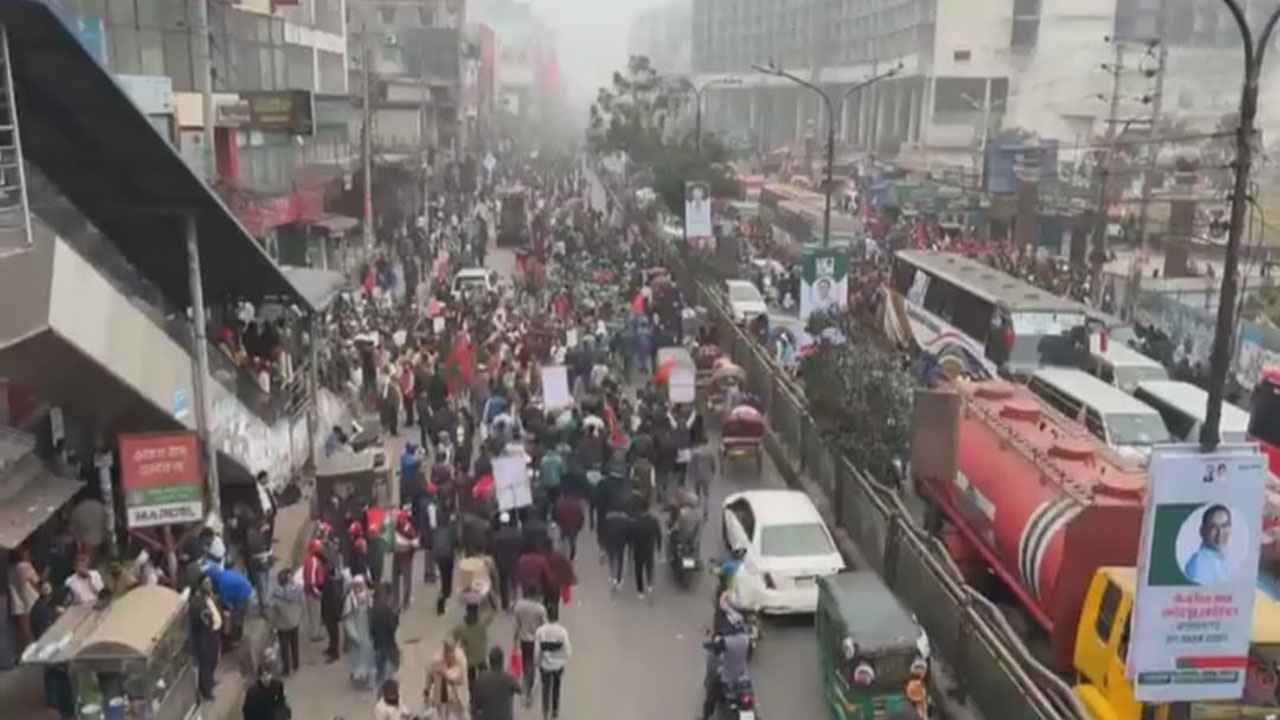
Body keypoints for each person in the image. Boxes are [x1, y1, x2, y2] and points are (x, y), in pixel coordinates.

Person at [700, 624, 751, 720]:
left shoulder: (726, 642)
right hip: (743, 676)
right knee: (749, 699)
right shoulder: (745, 639)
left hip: (727, 677)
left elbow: (716, 647)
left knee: (711, 695)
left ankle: (705, 717)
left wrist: (707, 645)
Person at [534, 605, 571, 720]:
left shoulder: (540, 631)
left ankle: (545, 711)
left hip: (545, 666)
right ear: (557, 617)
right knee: (556, 688)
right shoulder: (562, 631)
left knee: (545, 689)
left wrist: (537, 662)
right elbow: (568, 650)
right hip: (558, 666)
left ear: (547, 616)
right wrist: (562, 660)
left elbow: (537, 650)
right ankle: (555, 711)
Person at [451, 602, 498, 693]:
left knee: (482, 683)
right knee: (474, 684)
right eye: (471, 612)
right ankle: (474, 700)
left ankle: (478, 699)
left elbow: (494, 610)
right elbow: (452, 638)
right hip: (472, 661)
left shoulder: (480, 623)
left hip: (479, 660)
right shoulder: (463, 627)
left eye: (473, 612)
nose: (472, 615)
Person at [190, 575, 222, 702]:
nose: (210, 584)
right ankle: (206, 691)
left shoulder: (210, 596)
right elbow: (202, 620)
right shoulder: (198, 602)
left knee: (214, 660)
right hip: (205, 637)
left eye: (210, 581)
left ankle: (211, 681)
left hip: (214, 633)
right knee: (206, 664)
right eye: (206, 583)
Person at [1184, 504, 1233, 585]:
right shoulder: (1199, 564)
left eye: (1224, 526)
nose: (1220, 533)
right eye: (1213, 527)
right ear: (1202, 531)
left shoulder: (1222, 560)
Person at [512, 593, 547, 703]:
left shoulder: (519, 605)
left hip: (523, 639)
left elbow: (517, 624)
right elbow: (544, 625)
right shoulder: (540, 608)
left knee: (526, 662)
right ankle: (529, 690)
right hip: (535, 640)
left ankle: (526, 684)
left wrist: (515, 638)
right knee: (532, 663)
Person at [269, 568, 304, 677]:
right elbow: (302, 603)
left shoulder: (275, 595)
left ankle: (286, 669)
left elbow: (272, 610)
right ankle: (296, 664)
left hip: (282, 624)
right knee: (295, 643)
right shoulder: (297, 590)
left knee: (284, 647)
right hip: (294, 621)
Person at [424, 638, 470, 720]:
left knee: (461, 715)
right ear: (445, 652)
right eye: (449, 653)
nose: (451, 655)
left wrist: (444, 672)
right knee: (442, 715)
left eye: (452, 652)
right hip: (440, 696)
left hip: (455, 698)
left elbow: (459, 679)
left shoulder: (459, 659)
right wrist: (426, 693)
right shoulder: (437, 660)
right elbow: (429, 676)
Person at [472, 646, 522, 720]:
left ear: (489, 661)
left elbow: (475, 707)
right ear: (502, 661)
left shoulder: (480, 679)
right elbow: (520, 690)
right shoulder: (508, 678)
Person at [370, 583, 401, 692]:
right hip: (389, 647)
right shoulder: (388, 611)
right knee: (389, 676)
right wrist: (396, 615)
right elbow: (392, 628)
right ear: (388, 595)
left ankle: (379, 694)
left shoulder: (373, 609)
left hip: (377, 646)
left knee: (380, 673)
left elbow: (371, 630)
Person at [9, 546, 40, 653]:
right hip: (30, 600)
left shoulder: (10, 568)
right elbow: (35, 582)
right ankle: (34, 652)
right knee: (32, 630)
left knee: (23, 631)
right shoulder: (25, 566)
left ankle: (23, 652)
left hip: (16, 602)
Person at [628, 506, 662, 599]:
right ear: (648, 510)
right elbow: (659, 535)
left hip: (638, 550)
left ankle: (640, 591)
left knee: (638, 570)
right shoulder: (654, 521)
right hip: (649, 549)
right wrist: (659, 547)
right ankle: (650, 585)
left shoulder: (635, 521)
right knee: (649, 568)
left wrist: (630, 549)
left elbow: (630, 536)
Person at [492, 513, 523, 611]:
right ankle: (515, 601)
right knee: (514, 583)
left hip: (502, 563)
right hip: (515, 561)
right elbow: (521, 548)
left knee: (503, 584)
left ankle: (505, 604)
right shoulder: (517, 533)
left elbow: (494, 551)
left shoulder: (496, 535)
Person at [302, 540, 328, 642]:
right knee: (314, 613)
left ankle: (315, 631)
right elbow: (311, 580)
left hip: (311, 591)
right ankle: (314, 635)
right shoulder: (312, 561)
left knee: (314, 612)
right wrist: (317, 592)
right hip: (313, 592)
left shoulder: (309, 558)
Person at [320, 558, 344, 663]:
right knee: (331, 632)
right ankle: (331, 648)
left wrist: (336, 614)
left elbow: (334, 599)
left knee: (334, 632)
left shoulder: (333, 582)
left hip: (332, 612)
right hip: (329, 610)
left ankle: (335, 653)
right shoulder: (333, 579)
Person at [434, 513, 459, 615]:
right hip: (449, 556)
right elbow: (456, 542)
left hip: (439, 557)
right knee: (448, 578)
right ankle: (445, 598)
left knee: (443, 578)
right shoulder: (451, 530)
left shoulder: (436, 531)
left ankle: (442, 598)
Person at [392, 511, 418, 608]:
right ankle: (403, 602)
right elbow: (415, 543)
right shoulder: (408, 528)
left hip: (399, 555)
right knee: (405, 579)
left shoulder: (398, 527)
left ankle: (398, 602)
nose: (399, 520)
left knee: (397, 579)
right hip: (404, 555)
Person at [553, 492, 585, 563]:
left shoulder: (561, 505)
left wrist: (559, 524)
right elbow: (581, 516)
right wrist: (580, 526)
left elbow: (558, 515)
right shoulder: (577, 505)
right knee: (573, 541)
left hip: (564, 526)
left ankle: (564, 556)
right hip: (574, 527)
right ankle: (572, 556)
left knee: (563, 540)